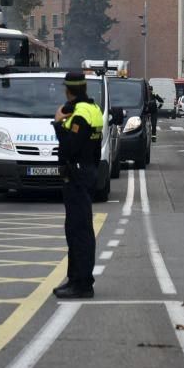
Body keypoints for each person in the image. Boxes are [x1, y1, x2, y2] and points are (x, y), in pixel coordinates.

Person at [51, 72, 104, 299]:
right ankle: (75, 279)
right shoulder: (94, 109)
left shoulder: (79, 114)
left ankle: (82, 284)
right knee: (78, 228)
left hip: (77, 174)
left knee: (78, 231)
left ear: (68, 90)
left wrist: (57, 124)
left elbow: (70, 146)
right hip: (88, 171)